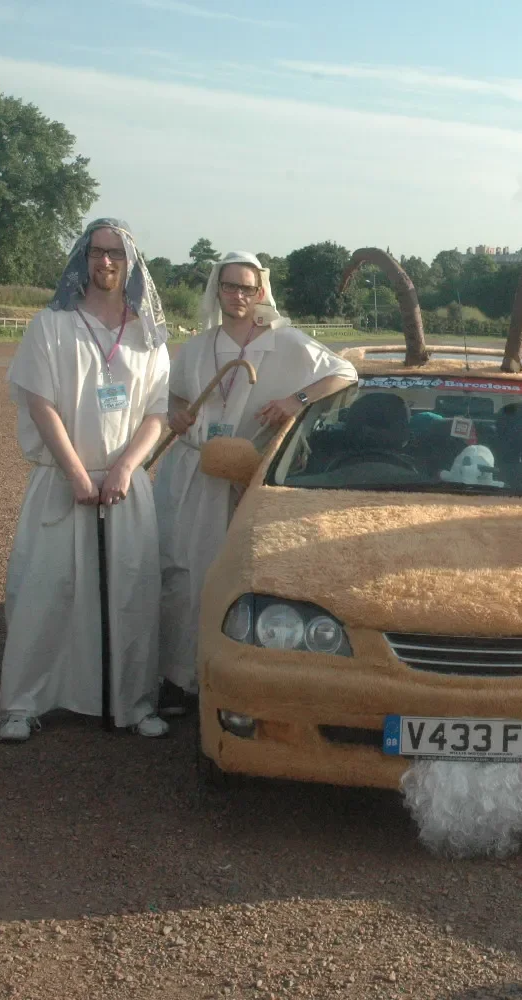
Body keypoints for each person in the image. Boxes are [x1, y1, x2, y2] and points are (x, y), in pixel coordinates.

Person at [152, 251, 357, 715]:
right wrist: (177, 414)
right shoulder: (200, 347)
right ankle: (179, 677)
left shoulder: (286, 344)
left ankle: (243, 681)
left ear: (260, 291)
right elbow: (175, 396)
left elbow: (344, 373)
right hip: (197, 477)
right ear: (217, 290)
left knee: (248, 578)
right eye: (230, 287)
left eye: (247, 288)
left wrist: (295, 400)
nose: (238, 295)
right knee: (184, 575)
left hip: (253, 478)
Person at [0, 219, 172, 742]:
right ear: (83, 258)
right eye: (97, 252)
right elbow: (40, 402)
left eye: (116, 253)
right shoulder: (50, 326)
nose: (106, 262)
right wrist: (76, 472)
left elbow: (157, 413)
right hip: (62, 481)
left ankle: (133, 702)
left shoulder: (148, 334)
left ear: (131, 262)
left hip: (125, 487)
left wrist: (124, 469)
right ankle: (24, 703)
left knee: (131, 594)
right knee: (44, 590)